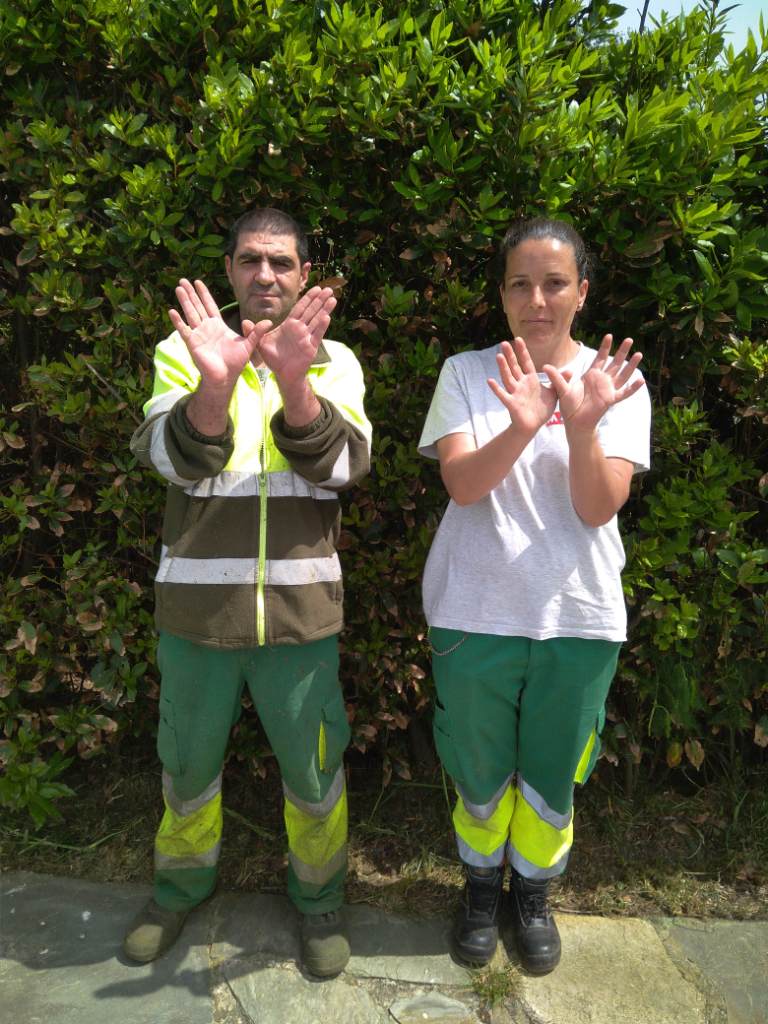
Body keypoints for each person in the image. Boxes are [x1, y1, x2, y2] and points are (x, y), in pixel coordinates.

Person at [124, 207, 371, 978]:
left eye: (283, 263)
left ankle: (319, 899)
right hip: (196, 616)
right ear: (229, 270)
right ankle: (178, 887)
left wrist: (296, 382)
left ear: (304, 275)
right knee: (187, 766)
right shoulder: (183, 350)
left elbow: (343, 470)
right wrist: (216, 380)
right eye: (251, 261)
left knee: (313, 770)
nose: (266, 275)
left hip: (303, 620)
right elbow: (173, 461)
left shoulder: (337, 361)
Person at [418, 217, 651, 975]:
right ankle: (481, 886)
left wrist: (583, 425)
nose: (537, 299)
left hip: (577, 617)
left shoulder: (616, 381)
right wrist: (521, 426)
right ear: (503, 294)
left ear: (582, 291)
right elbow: (463, 484)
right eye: (520, 283)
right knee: (478, 769)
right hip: (472, 611)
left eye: (554, 283)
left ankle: (534, 893)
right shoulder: (465, 372)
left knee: (553, 772)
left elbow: (595, 505)